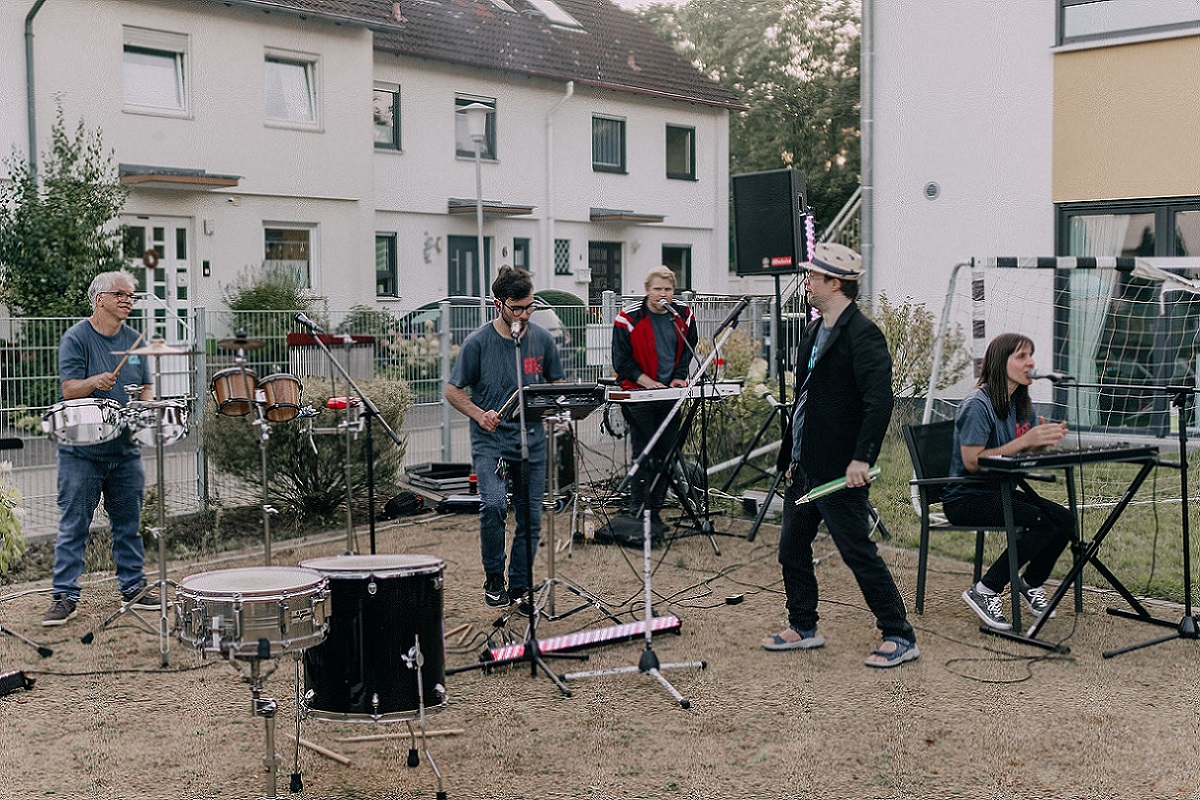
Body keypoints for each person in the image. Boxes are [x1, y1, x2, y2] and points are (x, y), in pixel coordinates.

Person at [760, 243, 918, 668]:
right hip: (804, 464)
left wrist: (861, 459)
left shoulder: (863, 334)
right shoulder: (814, 332)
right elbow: (809, 399)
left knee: (856, 551)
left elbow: (878, 401)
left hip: (839, 469)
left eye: (813, 276)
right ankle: (803, 626)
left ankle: (900, 634)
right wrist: (791, 456)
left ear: (835, 282)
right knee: (791, 548)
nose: (806, 282)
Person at [446, 266, 565, 609]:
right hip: (492, 440)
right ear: (499, 305)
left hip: (532, 440)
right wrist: (479, 414)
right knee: (495, 505)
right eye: (518, 308)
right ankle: (494, 578)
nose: (525, 314)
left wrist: (557, 407)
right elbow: (453, 390)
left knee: (530, 515)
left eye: (530, 307)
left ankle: (521, 586)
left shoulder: (541, 339)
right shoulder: (477, 343)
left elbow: (558, 383)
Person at [43, 270, 156, 627]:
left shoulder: (136, 341)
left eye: (131, 296)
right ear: (100, 299)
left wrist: (145, 407)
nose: (127, 300)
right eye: (120, 294)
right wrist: (94, 381)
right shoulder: (76, 338)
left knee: (128, 524)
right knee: (74, 525)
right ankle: (64, 596)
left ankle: (133, 587)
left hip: (124, 451)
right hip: (82, 453)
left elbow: (147, 388)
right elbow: (69, 389)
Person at [943, 332, 1074, 631]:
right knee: (1043, 520)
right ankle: (985, 589)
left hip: (999, 491)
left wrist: (1036, 444)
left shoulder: (1017, 404)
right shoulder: (977, 404)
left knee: (1064, 520)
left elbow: (1009, 452)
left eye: (1031, 355)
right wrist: (1024, 441)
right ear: (1002, 363)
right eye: (1022, 356)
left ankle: (1029, 583)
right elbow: (972, 460)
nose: (1031, 363)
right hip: (966, 499)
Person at [611, 266, 697, 535]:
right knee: (645, 452)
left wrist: (679, 377)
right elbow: (621, 361)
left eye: (668, 289)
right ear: (647, 290)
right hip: (638, 394)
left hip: (669, 393)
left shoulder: (683, 315)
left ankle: (655, 511)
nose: (663, 294)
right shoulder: (627, 318)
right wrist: (647, 381)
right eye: (658, 289)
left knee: (666, 454)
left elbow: (687, 349)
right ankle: (639, 510)